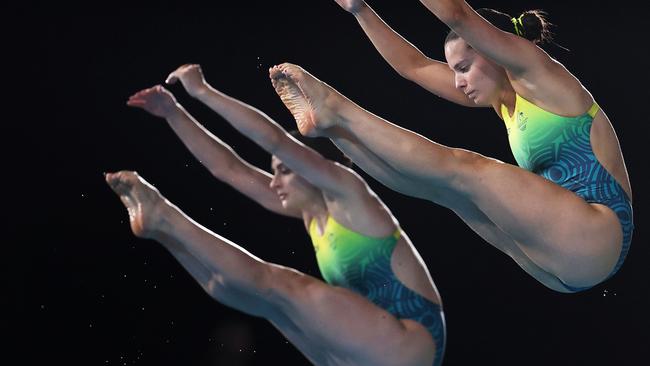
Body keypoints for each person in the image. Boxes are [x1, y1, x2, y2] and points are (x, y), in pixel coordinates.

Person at [267, 0, 633, 293]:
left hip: (598, 233)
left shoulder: (537, 74)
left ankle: (338, 109)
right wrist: (361, 10)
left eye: (463, 67)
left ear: (493, 49)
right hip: (559, 265)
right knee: (444, 191)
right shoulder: (498, 100)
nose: (458, 83)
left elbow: (456, 12)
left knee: (463, 168)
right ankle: (333, 130)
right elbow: (414, 66)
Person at [106, 64, 445, 366]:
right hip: (365, 345)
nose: (275, 181)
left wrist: (203, 92)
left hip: (408, 342)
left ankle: (164, 215)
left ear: (311, 169)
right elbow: (229, 169)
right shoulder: (310, 213)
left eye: (284, 171)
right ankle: (162, 231)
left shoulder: (350, 193)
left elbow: (275, 140)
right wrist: (174, 113)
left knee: (281, 285)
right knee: (243, 295)